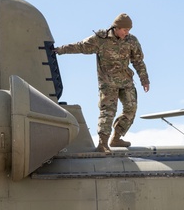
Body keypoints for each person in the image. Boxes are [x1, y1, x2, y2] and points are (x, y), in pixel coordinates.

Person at [54, 13, 150, 152]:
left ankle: (116, 138)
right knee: (108, 112)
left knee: (131, 108)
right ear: (116, 27)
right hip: (107, 82)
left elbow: (138, 61)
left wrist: (144, 80)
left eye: (128, 30)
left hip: (126, 81)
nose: (126, 33)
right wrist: (60, 50)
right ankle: (102, 144)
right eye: (124, 30)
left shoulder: (132, 41)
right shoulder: (101, 39)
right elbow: (81, 46)